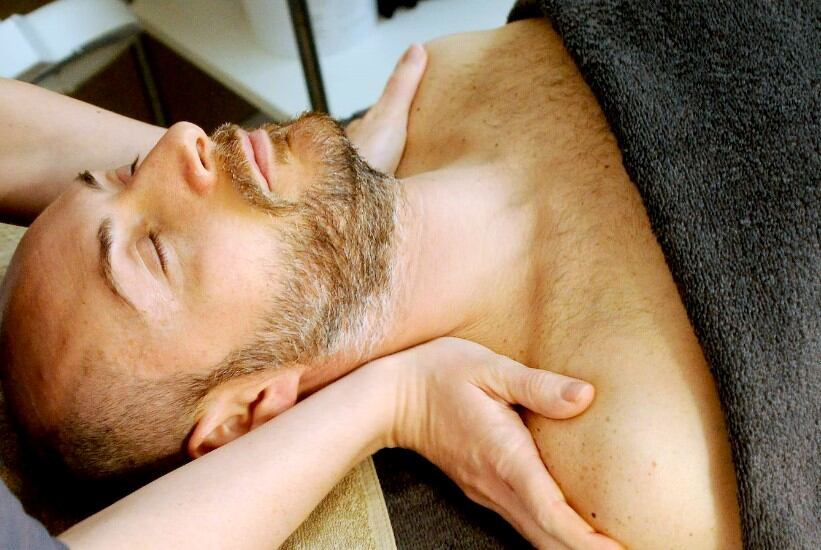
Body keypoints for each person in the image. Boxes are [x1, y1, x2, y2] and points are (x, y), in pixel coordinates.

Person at [0, 16, 746, 550]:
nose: (179, 140)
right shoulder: (639, 466)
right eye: (156, 250)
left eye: (125, 172)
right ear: (245, 413)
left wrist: (313, 201)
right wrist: (393, 398)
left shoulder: (452, 75)